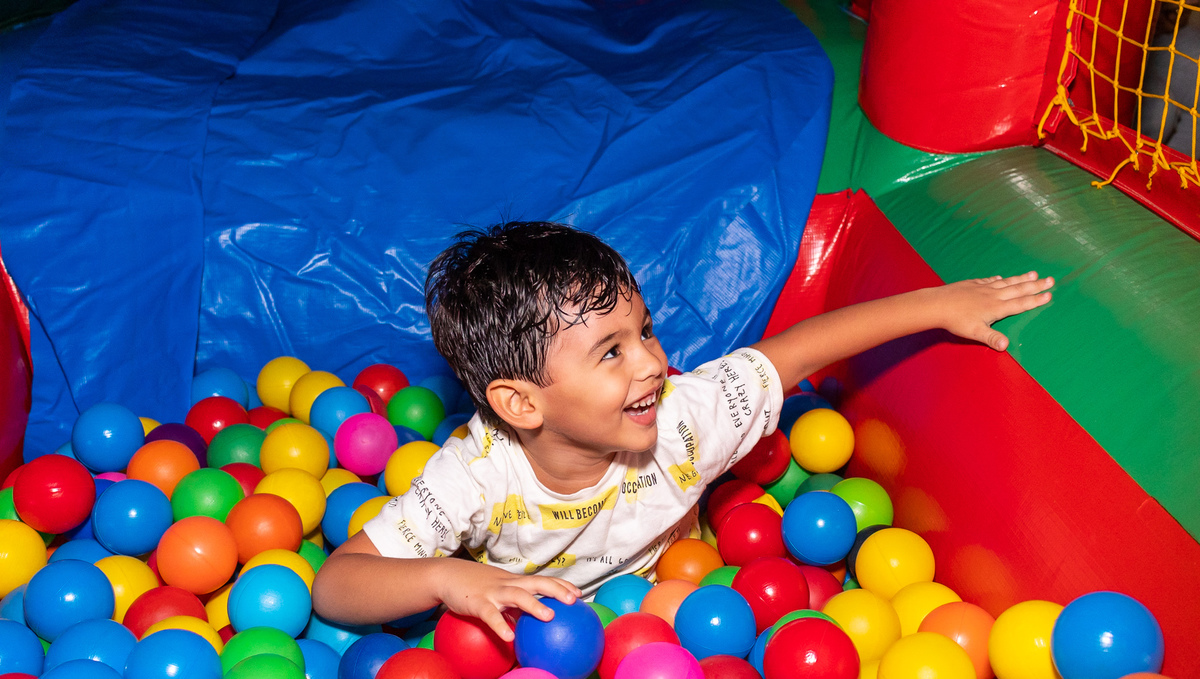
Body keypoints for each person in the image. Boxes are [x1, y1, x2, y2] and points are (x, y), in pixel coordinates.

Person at [311, 221, 1052, 641]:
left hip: (687, 596)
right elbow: (337, 585)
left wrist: (938, 304)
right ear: (521, 404)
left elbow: (798, 351)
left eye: (645, 331)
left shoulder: (680, 422)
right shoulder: (475, 478)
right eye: (611, 352)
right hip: (553, 641)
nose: (652, 363)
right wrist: (453, 579)